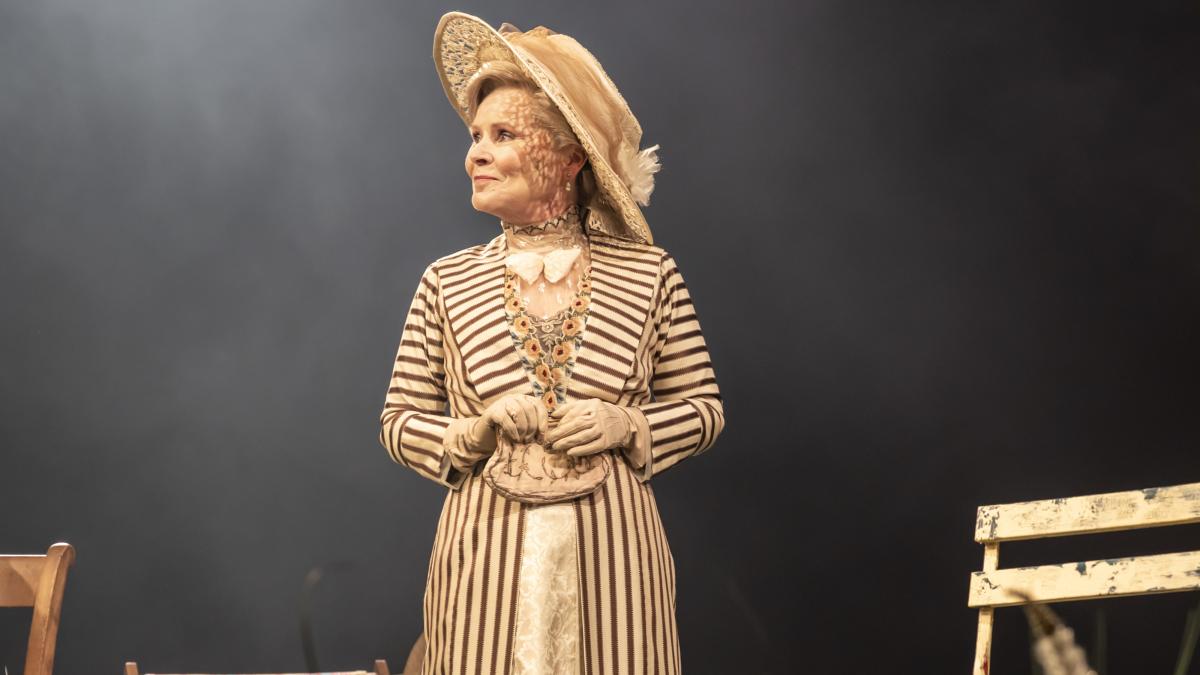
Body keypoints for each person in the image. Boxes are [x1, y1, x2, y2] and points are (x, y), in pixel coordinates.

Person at [380, 12, 725, 675]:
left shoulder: (649, 274)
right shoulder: (446, 282)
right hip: (484, 557)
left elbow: (703, 408)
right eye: (475, 136)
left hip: (613, 555)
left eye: (503, 135)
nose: (475, 154)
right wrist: (473, 431)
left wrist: (626, 423)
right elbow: (398, 420)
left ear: (570, 158)